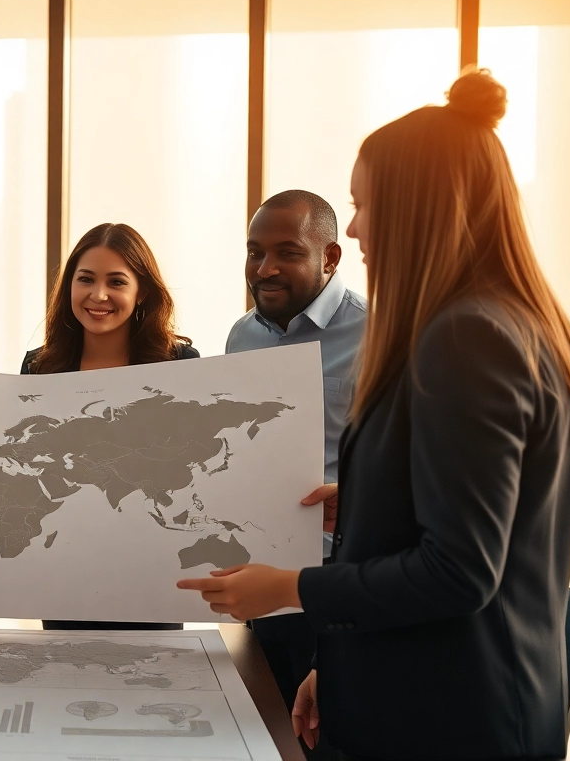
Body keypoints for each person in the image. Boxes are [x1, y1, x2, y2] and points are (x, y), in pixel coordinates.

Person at [179, 70, 570, 761]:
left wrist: (289, 586)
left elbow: (460, 570)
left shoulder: (467, 337)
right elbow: (477, 516)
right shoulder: (497, 322)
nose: (352, 227)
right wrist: (367, 508)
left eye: (364, 204)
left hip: (448, 721)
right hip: (435, 695)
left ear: (420, 209)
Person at [225, 190, 365, 749]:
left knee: (330, 736)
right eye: (255, 251)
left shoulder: (376, 334)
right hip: (262, 571)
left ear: (330, 257)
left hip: (337, 577)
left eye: (287, 252)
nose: (266, 268)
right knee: (268, 732)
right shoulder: (242, 336)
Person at [22, 222, 197, 631]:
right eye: (85, 280)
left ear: (142, 294)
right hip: (66, 569)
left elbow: (190, 471)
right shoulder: (39, 367)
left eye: (116, 282)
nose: (98, 295)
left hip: (152, 571)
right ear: (69, 289)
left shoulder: (181, 365)